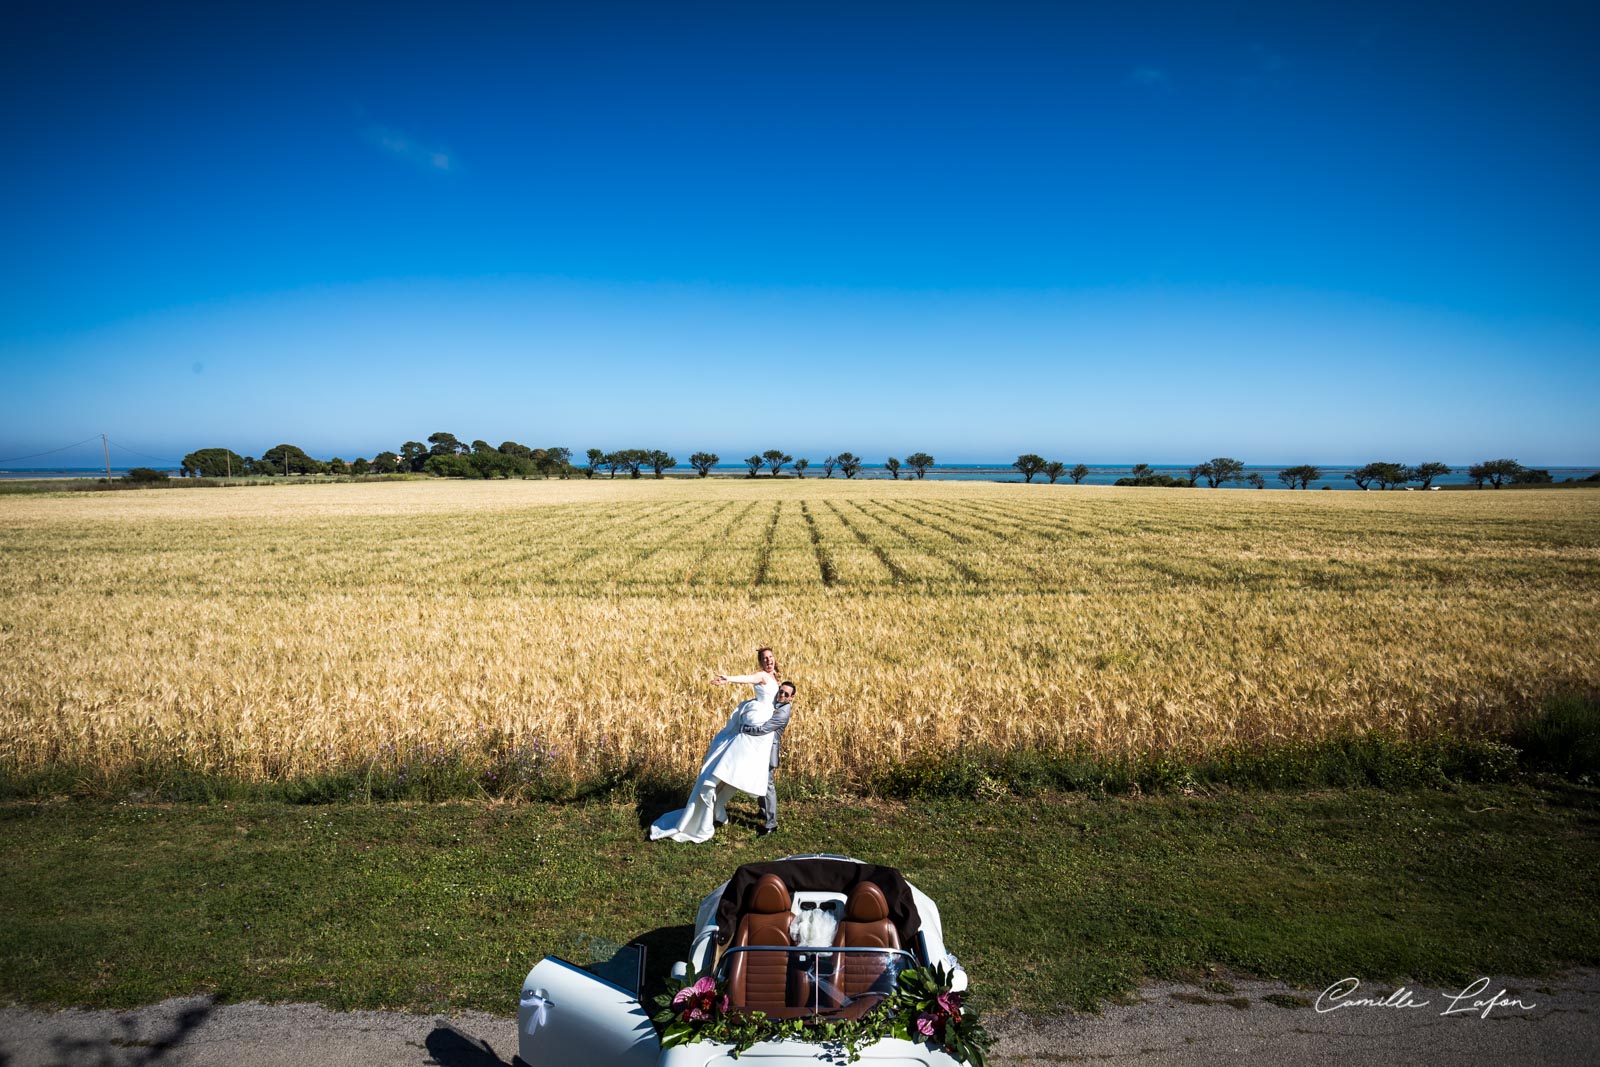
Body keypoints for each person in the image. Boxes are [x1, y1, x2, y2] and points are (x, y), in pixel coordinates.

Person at [649, 648, 782, 843]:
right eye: (764, 659)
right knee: (750, 770)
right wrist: (729, 679)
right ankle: (719, 804)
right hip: (757, 730)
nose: (768, 661)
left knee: (758, 771)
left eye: (770, 657)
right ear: (761, 663)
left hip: (765, 731)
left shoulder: (776, 676)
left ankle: (752, 810)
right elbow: (748, 679)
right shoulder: (761, 675)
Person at [739, 680, 793, 836]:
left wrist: (745, 728)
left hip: (769, 752)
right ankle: (763, 811)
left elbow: (763, 729)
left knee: (768, 786)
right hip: (761, 749)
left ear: (791, 698)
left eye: (786, 694)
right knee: (760, 781)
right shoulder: (776, 704)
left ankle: (771, 824)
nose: (782, 695)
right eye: (781, 691)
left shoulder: (783, 713)